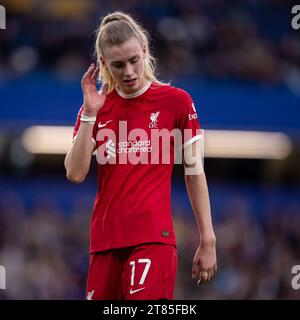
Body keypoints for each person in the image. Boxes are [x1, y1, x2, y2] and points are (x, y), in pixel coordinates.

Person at [64, 11, 217, 300]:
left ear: (145, 51)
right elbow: (75, 172)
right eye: (118, 65)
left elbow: (194, 172)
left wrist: (207, 238)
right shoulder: (97, 108)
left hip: (152, 240)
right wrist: (90, 115)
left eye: (134, 60)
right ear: (104, 65)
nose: (129, 72)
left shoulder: (177, 102)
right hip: (104, 242)